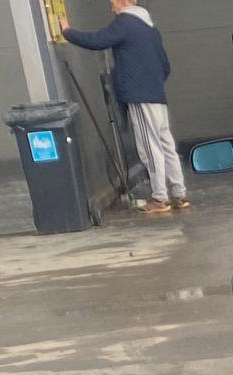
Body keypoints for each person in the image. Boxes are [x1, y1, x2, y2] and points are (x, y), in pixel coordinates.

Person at [62, 0, 187, 218]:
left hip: (139, 96)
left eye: (113, 2)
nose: (111, 7)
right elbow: (165, 65)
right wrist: (154, 83)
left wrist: (68, 32)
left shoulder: (125, 23)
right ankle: (179, 193)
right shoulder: (150, 28)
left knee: (149, 147)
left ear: (123, 1)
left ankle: (159, 197)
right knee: (166, 144)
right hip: (157, 96)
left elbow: (97, 40)